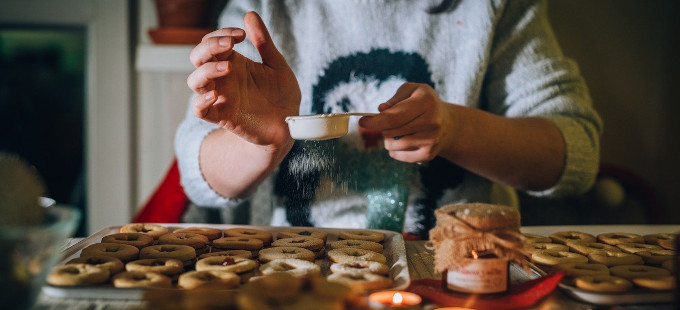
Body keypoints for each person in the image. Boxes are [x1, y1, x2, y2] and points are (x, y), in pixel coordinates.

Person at [176, 0, 602, 236]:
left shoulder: (492, 7)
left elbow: (574, 155)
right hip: (300, 281)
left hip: (464, 275)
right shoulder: (263, 8)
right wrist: (266, 142)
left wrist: (455, 129)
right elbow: (199, 172)